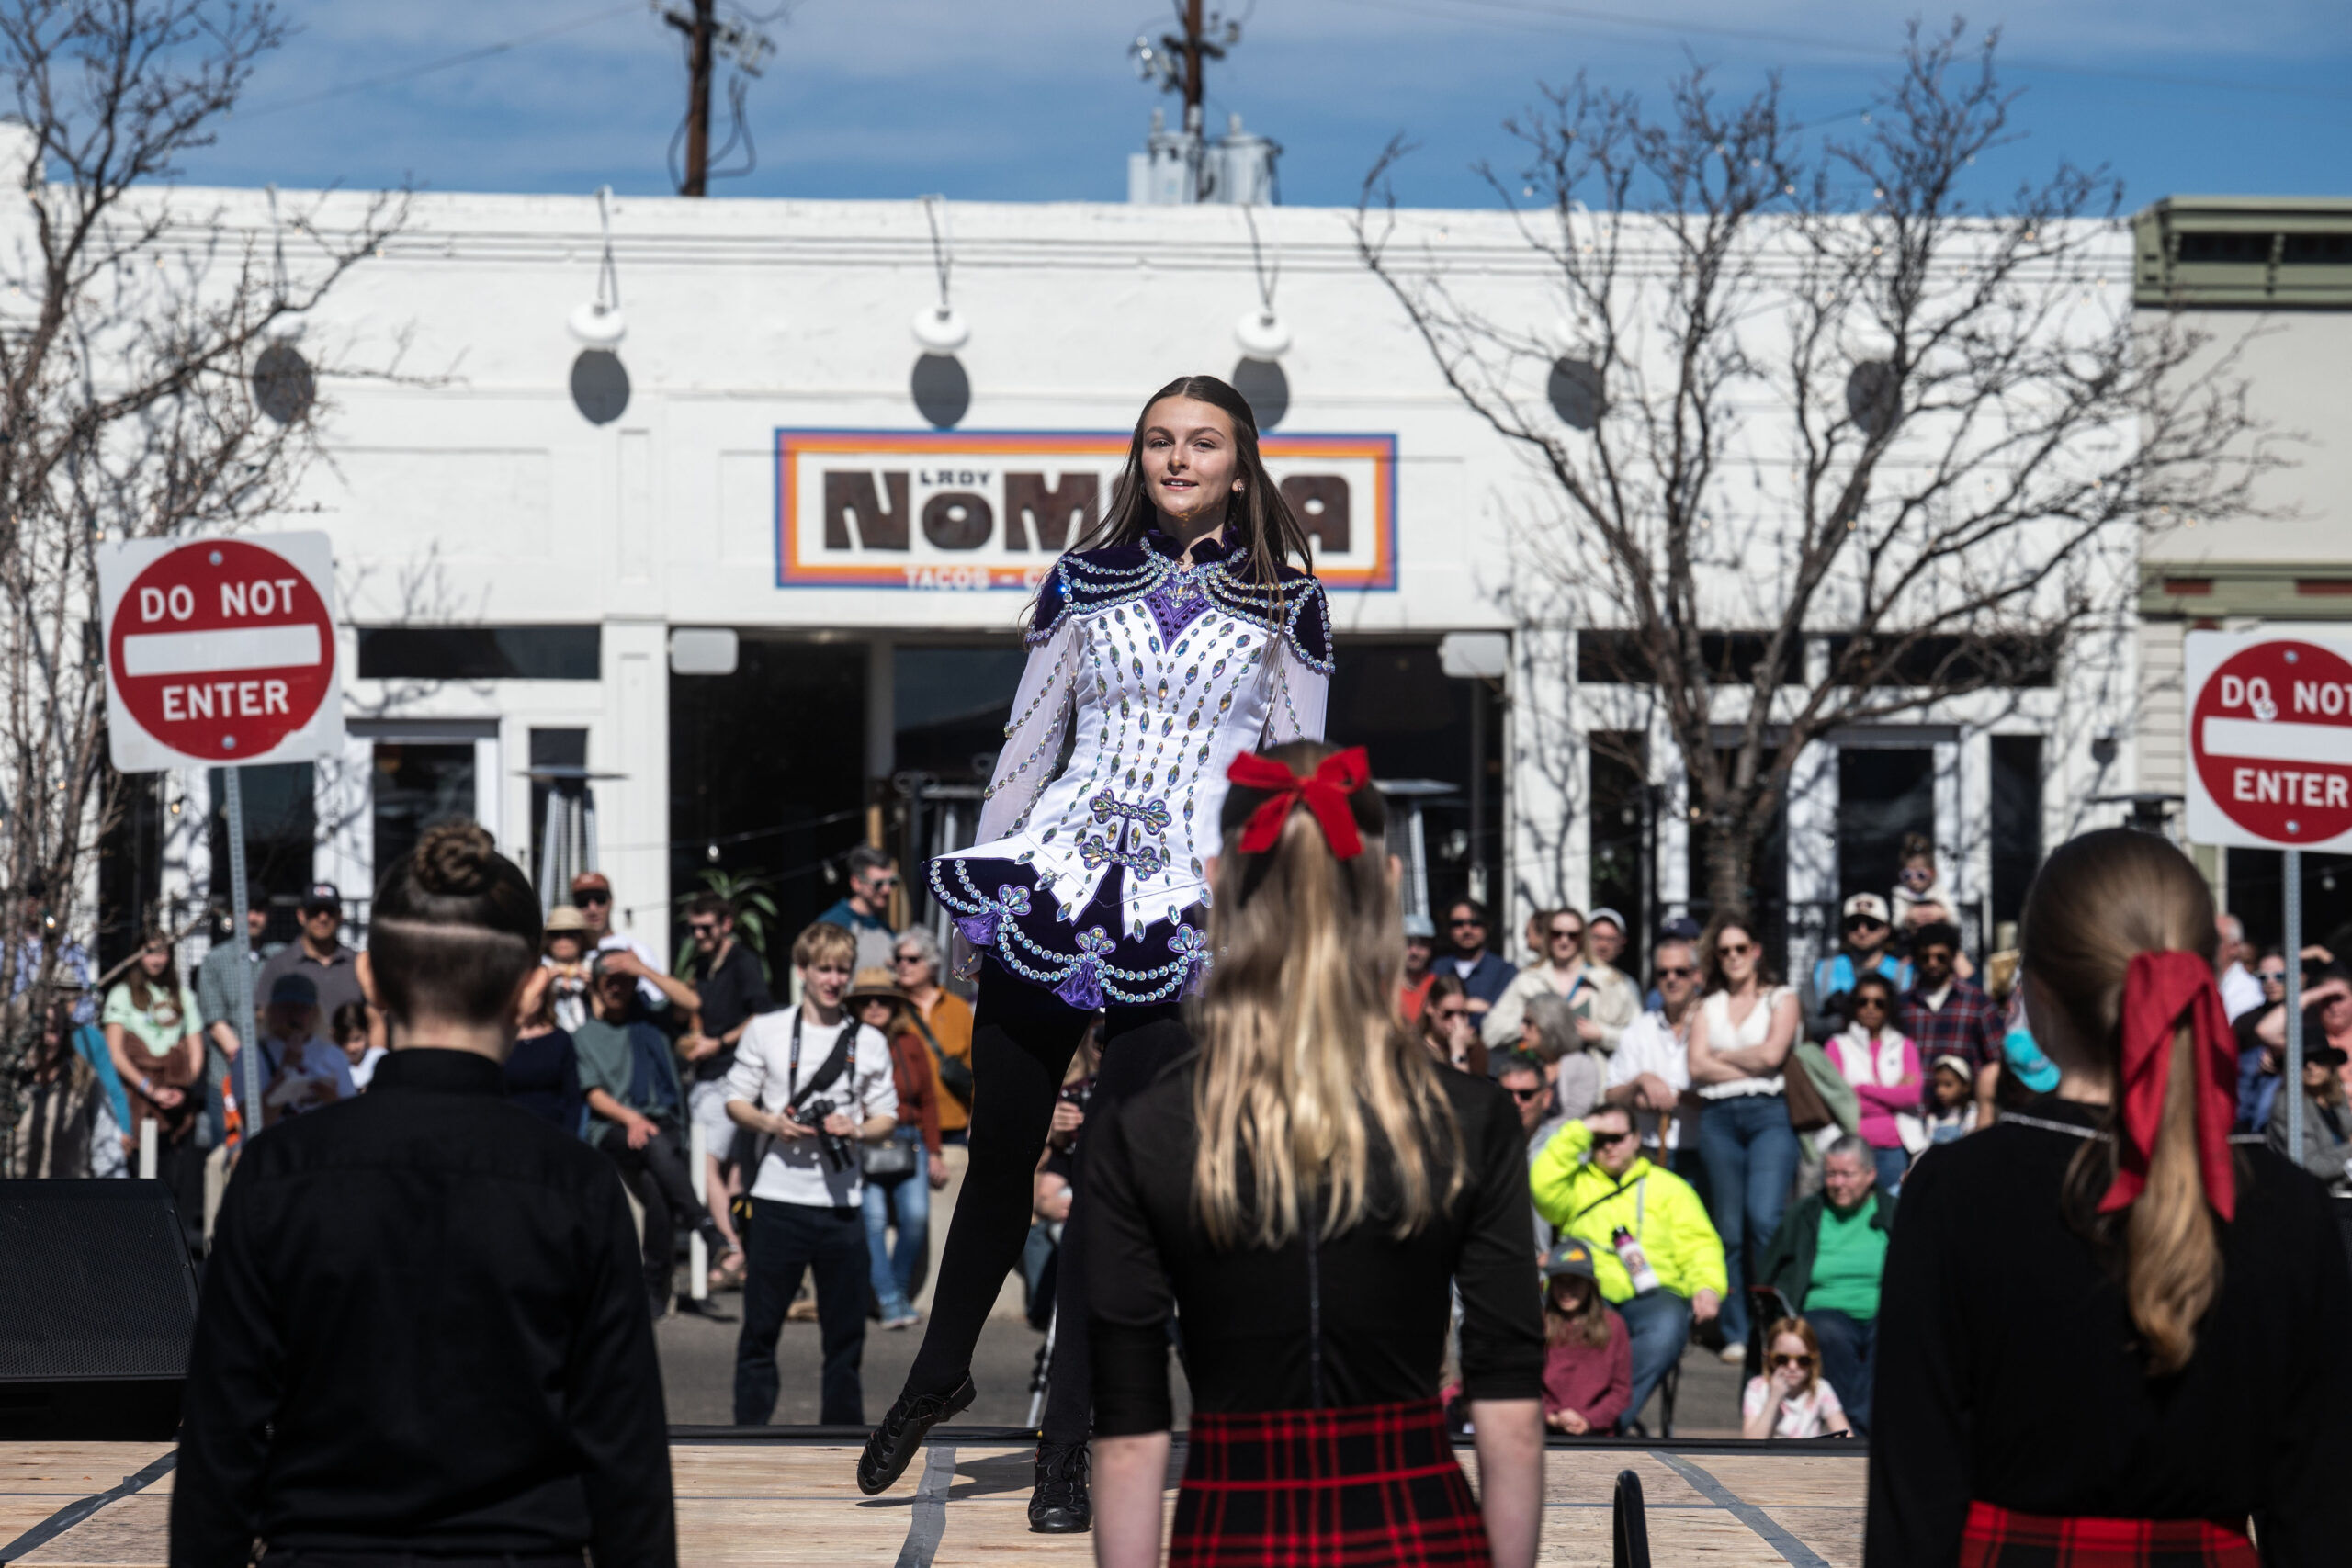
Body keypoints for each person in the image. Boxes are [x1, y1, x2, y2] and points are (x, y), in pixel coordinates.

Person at [872, 374, 1334, 1527]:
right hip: (1053, 874)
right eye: (1159, 442)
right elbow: (1028, 743)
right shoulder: (1082, 577)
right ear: (1139, 458)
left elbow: (1294, 778)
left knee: (1114, 1189)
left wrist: (1267, 928)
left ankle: (1066, 1444)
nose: (1178, 460)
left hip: (1186, 910)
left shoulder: (1287, 600)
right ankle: (939, 1370)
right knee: (1000, 1154)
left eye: (1202, 443)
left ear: (1241, 462)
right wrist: (975, 907)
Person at [1087, 739, 1544, 1568]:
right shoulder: (1472, 1118)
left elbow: (1127, 1435)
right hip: (1421, 1530)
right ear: (1393, 890)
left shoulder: (1143, 1129)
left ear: (1216, 882)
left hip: (1234, 1534)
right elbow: (1508, 1404)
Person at [170, 821, 674, 1568]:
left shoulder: (276, 1174)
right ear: (533, 984)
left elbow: (220, 1451)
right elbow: (626, 1467)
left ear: (369, 979)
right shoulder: (578, 1187)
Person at [1866, 827, 2352, 1565]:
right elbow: (2318, 1520)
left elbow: (1912, 1508)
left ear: (2039, 991)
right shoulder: (2292, 1210)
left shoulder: (1954, 1194)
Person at [726, 921, 899, 1427]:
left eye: (841, 969)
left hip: (843, 1206)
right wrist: (770, 1122)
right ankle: (746, 1436)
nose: (832, 979)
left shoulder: (867, 1040)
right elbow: (735, 1098)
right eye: (823, 968)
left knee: (846, 1340)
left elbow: (887, 1116)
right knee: (760, 1329)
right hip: (778, 1200)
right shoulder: (768, 1028)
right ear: (801, 970)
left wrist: (857, 1129)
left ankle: (841, 1440)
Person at [1531, 1103, 1727, 1433]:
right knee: (1565, 1318)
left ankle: (1602, 1421)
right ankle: (1568, 1416)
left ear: (1637, 1139)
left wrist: (1707, 1285)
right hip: (1587, 1291)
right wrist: (1583, 1128)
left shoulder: (1670, 1187)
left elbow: (1700, 1242)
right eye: (1600, 1137)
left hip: (1654, 1293)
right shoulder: (1574, 1185)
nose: (1608, 1145)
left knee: (1667, 1327)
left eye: (1618, 1137)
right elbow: (1541, 1185)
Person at [575, 951, 729, 1317]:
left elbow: (691, 1001)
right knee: (656, 1146)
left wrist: (642, 968)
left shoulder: (651, 1021)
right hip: (612, 1127)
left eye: (625, 979)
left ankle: (654, 1286)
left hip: (662, 1122)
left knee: (657, 1186)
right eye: (610, 980)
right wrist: (630, 1119)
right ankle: (704, 1224)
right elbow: (592, 1092)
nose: (618, 986)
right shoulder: (584, 1036)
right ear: (596, 985)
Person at [1686, 914, 1802, 1364]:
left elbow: (1774, 1055)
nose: (1733, 957)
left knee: (1765, 1218)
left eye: (1740, 948)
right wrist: (1747, 1061)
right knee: (1728, 1229)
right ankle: (1736, 1329)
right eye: (1724, 951)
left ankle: (1778, 1321)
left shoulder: (1781, 997)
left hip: (1769, 1113)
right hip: (1718, 1117)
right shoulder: (1707, 1005)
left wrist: (1723, 1056)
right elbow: (1696, 1068)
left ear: (1755, 951)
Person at [1757, 1135, 1894, 1433]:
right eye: (1831, 1174)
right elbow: (1770, 1269)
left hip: (1882, 1311)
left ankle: (1861, 1431)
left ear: (1870, 1174)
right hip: (1825, 1309)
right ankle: (1845, 1434)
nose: (1838, 1183)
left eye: (1847, 1174)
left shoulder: (1893, 1212)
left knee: (1891, 1334)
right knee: (1828, 1335)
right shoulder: (1805, 1213)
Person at [677, 891, 774, 1288]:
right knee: (735, 1174)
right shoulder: (703, 965)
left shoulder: (743, 963)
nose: (698, 934)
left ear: (726, 925)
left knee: (706, 1163)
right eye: (693, 928)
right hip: (708, 1075)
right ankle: (744, 1257)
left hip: (730, 1077)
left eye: (706, 927)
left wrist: (718, 1043)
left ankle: (730, 1249)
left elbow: (763, 1016)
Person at [847, 966, 944, 1330]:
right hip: (864, 1139)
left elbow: (929, 1100)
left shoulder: (909, 1041)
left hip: (908, 1139)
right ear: (855, 1006)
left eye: (883, 999)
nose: (875, 1006)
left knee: (916, 1218)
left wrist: (934, 1150)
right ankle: (890, 1301)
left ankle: (896, 1291)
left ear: (895, 1004)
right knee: (871, 1221)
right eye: (866, 1000)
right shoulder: (846, 1041)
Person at [102, 930, 205, 1240]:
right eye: (149, 951)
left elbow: (196, 1051)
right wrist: (149, 1088)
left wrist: (181, 1087)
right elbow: (116, 1053)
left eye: (162, 952)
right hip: (137, 1103)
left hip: (175, 1106)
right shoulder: (121, 994)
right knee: (137, 1183)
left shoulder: (183, 997)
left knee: (172, 1183)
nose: (156, 959)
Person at [893, 928, 970, 1312]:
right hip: (905, 1129)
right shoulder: (890, 1011)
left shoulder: (958, 1011)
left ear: (932, 963)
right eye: (899, 959)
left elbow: (979, 1071)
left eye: (911, 959)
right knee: (908, 1216)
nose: (902, 966)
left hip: (955, 1126)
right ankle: (894, 1293)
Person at [1604, 936, 1705, 1179]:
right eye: (1663, 973)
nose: (1672, 979)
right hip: (1648, 1152)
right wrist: (1640, 1081)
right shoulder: (1639, 1029)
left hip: (1704, 1153)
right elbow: (1611, 1095)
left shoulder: (1714, 1024)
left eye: (1680, 972)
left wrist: (1680, 1098)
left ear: (1696, 976)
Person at [1484, 907, 1638, 1056]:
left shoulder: (1610, 981)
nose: (1564, 941)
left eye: (1573, 935)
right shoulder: (1528, 978)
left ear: (1583, 938)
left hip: (1595, 1078)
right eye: (1556, 934)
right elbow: (1490, 1033)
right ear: (1547, 936)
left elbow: (1640, 1039)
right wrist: (1529, 1025)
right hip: (1538, 1076)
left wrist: (1601, 1034)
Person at [1823, 974, 1922, 1193]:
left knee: (1892, 1216)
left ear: (1889, 1008)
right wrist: (1892, 1095)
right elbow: (1838, 1102)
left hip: (1896, 1147)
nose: (1871, 1008)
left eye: (1879, 1003)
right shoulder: (1837, 1046)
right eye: (1863, 1001)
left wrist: (1861, 1089)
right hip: (1851, 1148)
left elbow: (1913, 1095)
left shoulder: (1904, 1045)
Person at [1897, 920, 2001, 1129]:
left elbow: (1996, 1063)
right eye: (1925, 957)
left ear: (1953, 957)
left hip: (1963, 1120)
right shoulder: (1901, 1005)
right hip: (1909, 1121)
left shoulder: (1978, 1002)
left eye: (1940, 957)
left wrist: (1986, 1113)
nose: (1933, 963)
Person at [571, 870, 699, 1016]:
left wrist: (638, 969)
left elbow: (657, 1001)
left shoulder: (636, 950)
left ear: (611, 901)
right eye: (583, 902)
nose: (592, 909)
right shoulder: (566, 953)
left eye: (599, 899)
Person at [1539, 1238, 1632, 1438]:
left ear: (1591, 1285)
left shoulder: (1614, 1325)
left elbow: (1621, 1391)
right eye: (1559, 1282)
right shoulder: (1539, 1324)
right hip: (1544, 1432)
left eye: (1575, 1281)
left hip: (1598, 1436)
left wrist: (1589, 1420)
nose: (1566, 1290)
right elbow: (1526, 1381)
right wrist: (1551, 1416)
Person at [1802, 893, 1912, 1044]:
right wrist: (1838, 1021)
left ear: (1886, 930)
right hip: (1833, 1060)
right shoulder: (1823, 970)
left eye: (1871, 925)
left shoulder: (1905, 973)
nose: (1862, 931)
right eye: (1854, 925)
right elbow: (1806, 1024)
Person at [10, 999, 103, 1178]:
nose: (45, 1040)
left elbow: (104, 1143)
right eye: (38, 1032)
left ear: (64, 1032)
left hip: (69, 1198)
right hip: (16, 1198)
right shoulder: (12, 1083)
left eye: (53, 1031)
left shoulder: (83, 1079)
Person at [254, 882, 366, 1025]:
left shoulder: (358, 964)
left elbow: (376, 1017)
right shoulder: (280, 965)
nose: (323, 918)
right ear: (301, 916)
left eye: (330, 911)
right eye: (315, 911)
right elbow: (262, 1017)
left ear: (340, 916)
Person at [257, 975, 356, 1124]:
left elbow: (351, 1118)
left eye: (302, 1009)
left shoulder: (333, 1054)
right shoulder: (256, 1056)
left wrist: (331, 1098)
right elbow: (259, 1122)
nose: (294, 1016)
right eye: (287, 1008)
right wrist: (286, 1068)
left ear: (314, 1012)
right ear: (273, 1010)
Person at [1742, 1317, 1852, 1439]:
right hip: (1770, 1458)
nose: (1792, 1367)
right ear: (1768, 1357)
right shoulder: (1757, 1387)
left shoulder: (1820, 1388)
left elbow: (1847, 1437)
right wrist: (1774, 1399)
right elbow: (1751, 1442)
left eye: (1803, 1360)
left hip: (1806, 1457)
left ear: (1814, 1359)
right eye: (1782, 1359)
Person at [503, 967, 582, 1133]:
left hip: (551, 1129)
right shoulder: (501, 1039)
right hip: (507, 1129)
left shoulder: (560, 1039)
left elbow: (573, 1097)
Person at [2267, 1043, 2352, 1194]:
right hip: (2310, 1197)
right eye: (2303, 1061)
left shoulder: (2337, 1100)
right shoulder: (2288, 1105)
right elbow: (2310, 1167)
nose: (2311, 1066)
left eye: (2319, 1059)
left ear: (2330, 1065)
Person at [819, 846, 902, 973]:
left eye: (892, 882)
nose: (887, 890)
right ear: (856, 883)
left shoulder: (888, 932)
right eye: (878, 884)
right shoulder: (830, 927)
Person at [1523, 991, 1602, 1120]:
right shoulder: (1526, 1061)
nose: (1522, 1029)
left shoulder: (1582, 1066)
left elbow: (1572, 1118)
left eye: (1528, 1023)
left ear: (1548, 1023)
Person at [1436, 897, 1518, 1020]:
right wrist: (1467, 1005)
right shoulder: (1437, 968)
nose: (1467, 930)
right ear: (1449, 929)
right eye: (1458, 924)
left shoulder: (1505, 972)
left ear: (1487, 927)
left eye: (1475, 923)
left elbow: (1511, 1016)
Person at [1897, 1053, 1978, 1156]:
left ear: (1965, 1086)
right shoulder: (1934, 1118)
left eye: (1948, 1085)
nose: (1940, 1091)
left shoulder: (1972, 1113)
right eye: (1937, 1085)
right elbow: (1926, 1150)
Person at [1419, 972, 1487, 1076]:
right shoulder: (1413, 1046)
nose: (1456, 1021)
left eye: (1462, 1013)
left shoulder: (1475, 1048)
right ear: (1430, 1007)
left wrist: (1459, 1051)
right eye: (1448, 1013)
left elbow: (1466, 1090)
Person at [542, 903, 595, 1032]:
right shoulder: (538, 970)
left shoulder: (594, 968)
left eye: (571, 934)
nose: (563, 940)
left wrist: (594, 989)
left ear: (581, 939)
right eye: (556, 934)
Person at [2215, 913, 2263, 1021]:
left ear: (2234, 947)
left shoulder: (2248, 992)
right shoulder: (2212, 982)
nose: (2207, 944)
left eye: (2215, 939)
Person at [334, 999, 385, 1089]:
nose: (351, 1047)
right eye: (345, 1040)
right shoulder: (334, 1069)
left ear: (367, 1032)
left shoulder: (379, 1059)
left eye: (357, 1039)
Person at [1400, 911, 1439, 1021]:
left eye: (1422, 944)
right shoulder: (1384, 987)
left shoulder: (1437, 986)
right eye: (1408, 944)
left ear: (1431, 949)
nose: (1414, 951)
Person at [1585, 908, 1631, 977]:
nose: (1603, 945)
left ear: (1622, 943)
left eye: (1610, 939)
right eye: (1597, 937)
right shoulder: (1570, 980)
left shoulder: (1628, 985)